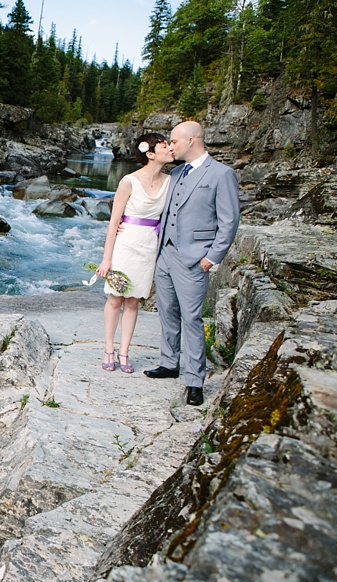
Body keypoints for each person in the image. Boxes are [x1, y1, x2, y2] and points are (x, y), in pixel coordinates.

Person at [143, 121, 240, 406]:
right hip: (166, 255)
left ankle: (195, 380)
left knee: (192, 320)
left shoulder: (222, 174)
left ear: (191, 140)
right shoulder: (175, 172)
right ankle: (169, 363)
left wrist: (212, 258)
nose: (170, 146)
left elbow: (229, 220)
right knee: (167, 312)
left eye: (173, 141)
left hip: (195, 259)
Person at [96, 133, 174, 374]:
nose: (170, 148)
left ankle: (124, 351)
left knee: (133, 300)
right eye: (164, 146)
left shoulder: (171, 181)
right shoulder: (128, 181)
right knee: (116, 298)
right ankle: (109, 348)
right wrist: (106, 258)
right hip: (126, 243)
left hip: (149, 245)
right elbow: (113, 221)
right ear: (150, 154)